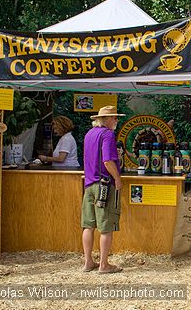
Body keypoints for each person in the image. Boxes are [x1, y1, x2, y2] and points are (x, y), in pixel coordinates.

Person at [81, 105, 124, 274]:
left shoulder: (89, 134)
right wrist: (118, 178)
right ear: (106, 119)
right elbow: (107, 161)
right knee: (106, 226)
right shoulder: (108, 134)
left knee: (88, 225)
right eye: (114, 117)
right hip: (104, 185)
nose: (116, 120)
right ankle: (104, 265)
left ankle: (88, 262)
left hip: (89, 184)